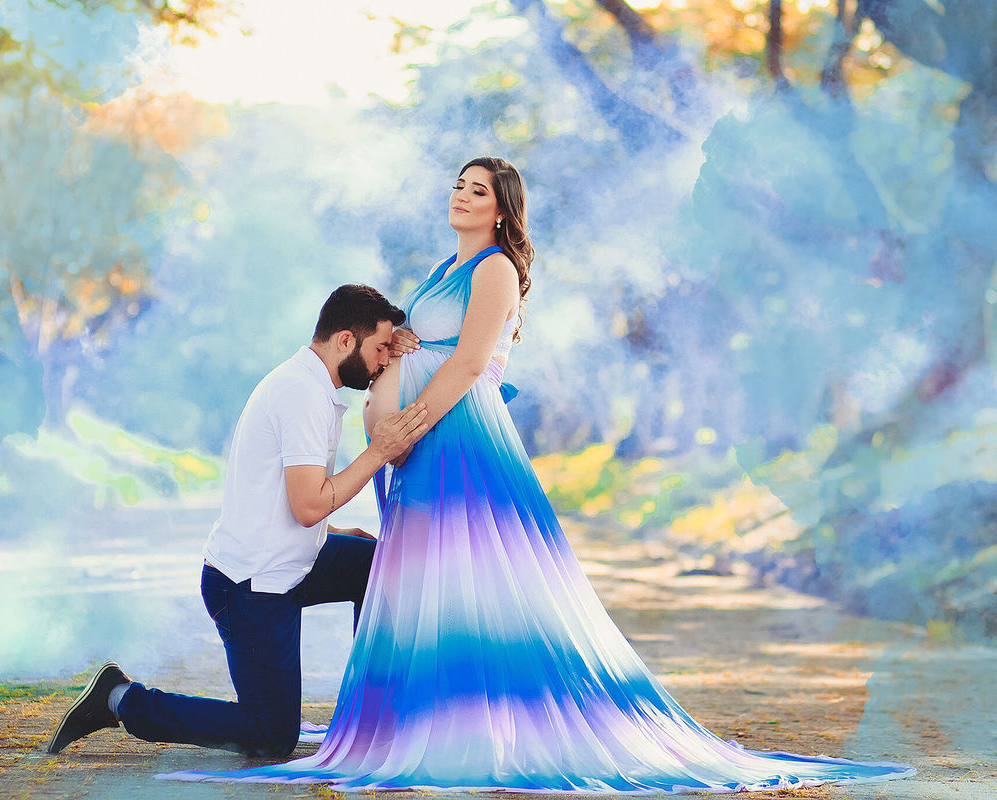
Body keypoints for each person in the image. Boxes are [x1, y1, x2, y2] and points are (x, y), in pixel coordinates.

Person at [159, 157, 916, 792]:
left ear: (501, 211)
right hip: (412, 449)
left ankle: (476, 718)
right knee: (414, 580)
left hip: (458, 438)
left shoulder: (495, 271)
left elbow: (463, 363)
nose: (462, 195)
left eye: (478, 189)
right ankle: (406, 711)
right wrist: (380, 427)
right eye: (459, 184)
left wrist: (407, 431)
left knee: (480, 579)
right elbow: (395, 354)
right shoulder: (437, 270)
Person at [46, 284, 429, 757]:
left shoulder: (312, 386)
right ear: (345, 341)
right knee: (272, 736)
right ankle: (119, 698)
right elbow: (308, 504)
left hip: (290, 563)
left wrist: (326, 536)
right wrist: (380, 452)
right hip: (250, 586)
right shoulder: (301, 394)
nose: (383, 363)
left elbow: (276, 499)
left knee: (377, 564)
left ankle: (371, 713)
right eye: (379, 350)